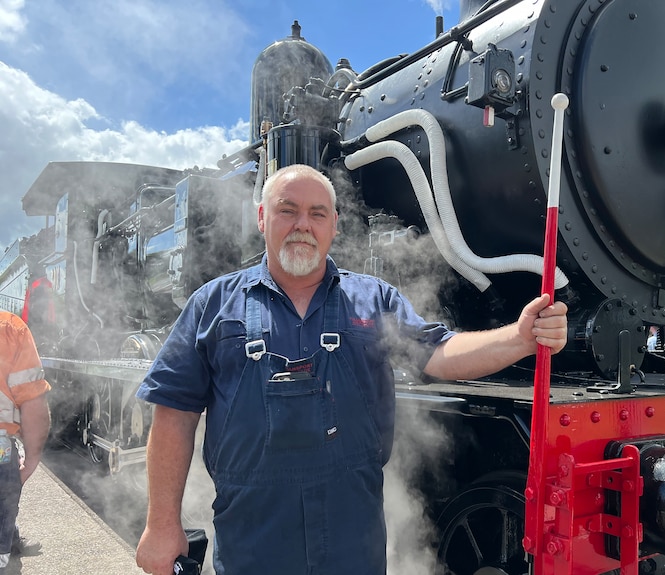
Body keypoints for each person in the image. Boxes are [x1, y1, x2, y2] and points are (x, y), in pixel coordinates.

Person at [134, 164, 569, 575]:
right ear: (263, 218)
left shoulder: (374, 299)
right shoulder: (212, 304)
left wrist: (520, 338)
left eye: (317, 213)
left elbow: (438, 354)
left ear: (334, 226)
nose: (303, 224)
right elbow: (174, 414)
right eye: (288, 210)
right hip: (251, 536)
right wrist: (161, 524)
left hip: (351, 534)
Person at [0, 312, 51, 573]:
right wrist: (31, 458)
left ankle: (12, 538)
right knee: (5, 496)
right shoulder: (9, 329)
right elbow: (33, 404)